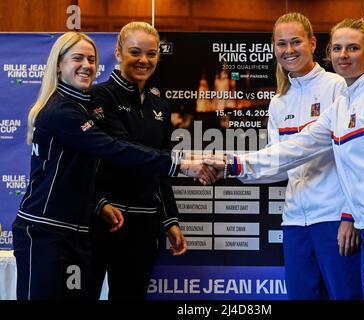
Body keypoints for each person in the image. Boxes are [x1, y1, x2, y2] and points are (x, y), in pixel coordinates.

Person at [208, 18, 364, 300]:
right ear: (329, 51)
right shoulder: (342, 105)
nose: (343, 55)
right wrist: (233, 164)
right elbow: (295, 148)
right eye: (338, 48)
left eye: (352, 48)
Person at [12, 32, 214, 300]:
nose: (86, 65)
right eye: (77, 58)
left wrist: (167, 218)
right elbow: (115, 148)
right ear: (58, 64)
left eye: (91, 59)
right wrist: (182, 164)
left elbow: (87, 168)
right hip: (47, 231)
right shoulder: (66, 109)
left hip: (77, 230)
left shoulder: (81, 105)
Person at [238, 12, 362, 300]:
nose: (289, 50)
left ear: (313, 43)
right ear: (273, 48)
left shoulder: (338, 87)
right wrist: (232, 169)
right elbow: (278, 164)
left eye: (296, 41)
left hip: (335, 218)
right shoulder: (279, 102)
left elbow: (356, 158)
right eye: (281, 43)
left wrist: (349, 215)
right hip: (295, 222)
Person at [88, 22, 187, 300]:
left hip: (144, 226)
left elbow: (160, 168)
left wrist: (170, 220)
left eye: (151, 53)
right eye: (135, 52)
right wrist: (99, 203)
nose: (144, 60)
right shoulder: (98, 96)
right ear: (118, 53)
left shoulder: (161, 107)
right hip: (103, 220)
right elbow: (113, 152)